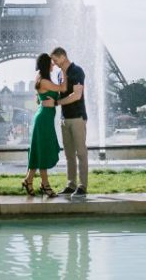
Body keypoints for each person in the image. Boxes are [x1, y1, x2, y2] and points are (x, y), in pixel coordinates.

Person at [22, 53, 67, 198]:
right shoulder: (45, 81)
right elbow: (63, 88)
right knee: (42, 151)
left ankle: (28, 180)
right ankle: (45, 185)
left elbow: (46, 95)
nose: (54, 64)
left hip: (44, 118)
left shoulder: (42, 78)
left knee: (38, 150)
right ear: (46, 64)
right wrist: (65, 70)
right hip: (43, 120)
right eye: (52, 63)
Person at [51, 47, 88, 198]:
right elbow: (60, 92)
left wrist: (57, 102)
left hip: (77, 117)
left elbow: (77, 95)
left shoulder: (77, 71)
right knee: (69, 155)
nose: (53, 62)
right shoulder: (60, 74)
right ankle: (71, 184)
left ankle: (82, 186)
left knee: (81, 153)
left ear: (63, 56)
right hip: (65, 119)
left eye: (55, 59)